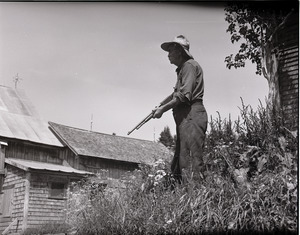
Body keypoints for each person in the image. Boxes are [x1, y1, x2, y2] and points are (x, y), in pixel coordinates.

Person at [153, 35, 208, 182]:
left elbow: (183, 96)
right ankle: (183, 197)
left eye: (170, 50)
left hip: (191, 115)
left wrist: (162, 110)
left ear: (179, 51)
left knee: (191, 160)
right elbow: (175, 93)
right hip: (185, 118)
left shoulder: (189, 66)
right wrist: (160, 104)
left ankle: (196, 197)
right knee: (180, 161)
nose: (168, 54)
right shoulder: (183, 69)